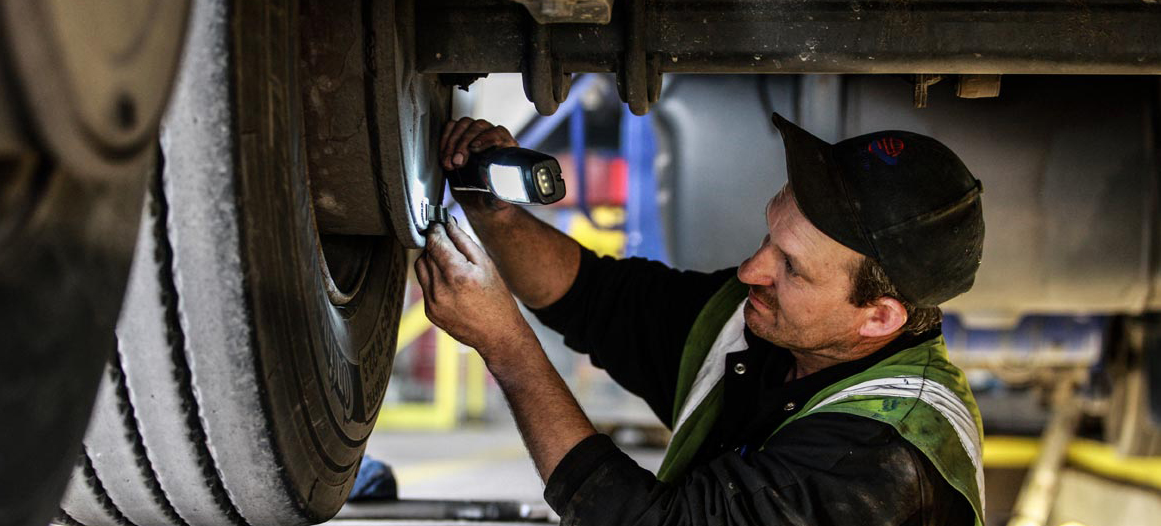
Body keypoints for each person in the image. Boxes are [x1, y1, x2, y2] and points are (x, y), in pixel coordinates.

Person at [415, 112, 986, 526]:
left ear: (878, 317)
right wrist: (495, 216)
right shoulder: (766, 329)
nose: (749, 270)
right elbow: (596, 297)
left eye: (791, 267)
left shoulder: (881, 464)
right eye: (770, 236)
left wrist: (506, 347)